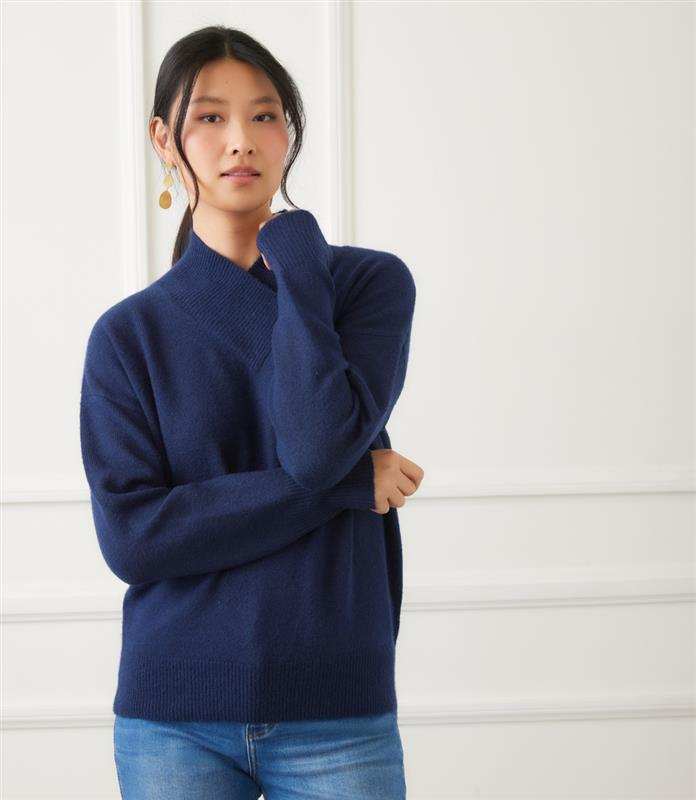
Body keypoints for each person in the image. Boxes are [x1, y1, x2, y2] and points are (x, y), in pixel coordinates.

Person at [79, 24, 424, 800]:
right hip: (174, 718)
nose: (241, 140)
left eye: (265, 116)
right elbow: (135, 538)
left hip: (338, 707)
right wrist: (345, 489)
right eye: (210, 117)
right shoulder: (129, 336)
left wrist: (298, 261)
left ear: (289, 133)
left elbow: (312, 442)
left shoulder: (368, 288)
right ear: (164, 140)